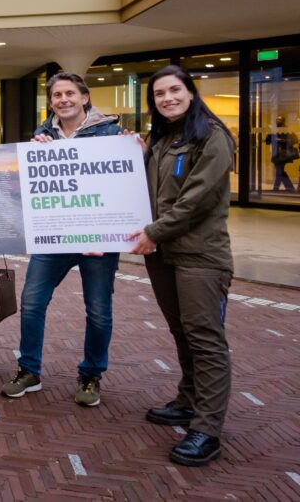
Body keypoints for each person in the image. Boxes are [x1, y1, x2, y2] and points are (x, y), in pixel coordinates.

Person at [128, 65, 236, 467]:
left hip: (200, 257)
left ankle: (207, 429)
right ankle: (189, 400)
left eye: (175, 90)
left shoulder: (212, 136)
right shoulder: (162, 139)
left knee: (205, 338)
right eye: (159, 94)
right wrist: (131, 156)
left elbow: (196, 200)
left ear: (191, 92)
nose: (167, 98)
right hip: (163, 256)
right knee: (182, 331)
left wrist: (154, 232)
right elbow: (145, 191)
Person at [1, 72, 123, 407]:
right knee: (32, 302)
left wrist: (136, 151)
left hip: (98, 238)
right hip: (54, 236)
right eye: (57, 95)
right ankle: (29, 371)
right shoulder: (43, 134)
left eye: (70, 93)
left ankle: (91, 375)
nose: (63, 99)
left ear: (85, 97)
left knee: (98, 311)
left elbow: (124, 184)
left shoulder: (111, 133)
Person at [264, 116, 297, 192]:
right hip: (276, 154)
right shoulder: (274, 130)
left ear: (283, 121)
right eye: (277, 119)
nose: (278, 121)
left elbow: (294, 140)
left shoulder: (286, 129)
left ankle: (277, 188)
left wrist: (282, 140)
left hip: (283, 154)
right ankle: (289, 187)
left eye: (279, 120)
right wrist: (272, 136)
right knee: (280, 171)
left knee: (279, 171)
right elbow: (267, 141)